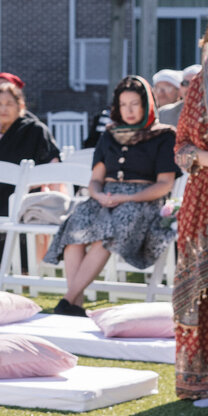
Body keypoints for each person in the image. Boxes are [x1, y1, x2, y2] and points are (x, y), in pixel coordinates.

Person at [44, 75, 176, 316]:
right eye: (123, 104)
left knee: (107, 233)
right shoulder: (110, 134)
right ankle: (75, 305)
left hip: (143, 200)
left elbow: (164, 185)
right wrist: (98, 195)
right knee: (74, 227)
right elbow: (95, 179)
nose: (129, 110)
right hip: (105, 197)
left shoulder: (164, 135)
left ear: (147, 105)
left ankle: (67, 300)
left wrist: (127, 198)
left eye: (135, 103)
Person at [174, 1, 208, 407]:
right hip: (204, 199)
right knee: (204, 290)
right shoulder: (197, 87)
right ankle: (207, 383)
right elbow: (180, 148)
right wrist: (203, 158)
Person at [0, 73, 60, 272]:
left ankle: (21, 274)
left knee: (17, 209)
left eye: (9, 104)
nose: (3, 109)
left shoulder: (34, 130)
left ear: (20, 105)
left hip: (19, 194)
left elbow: (51, 162)